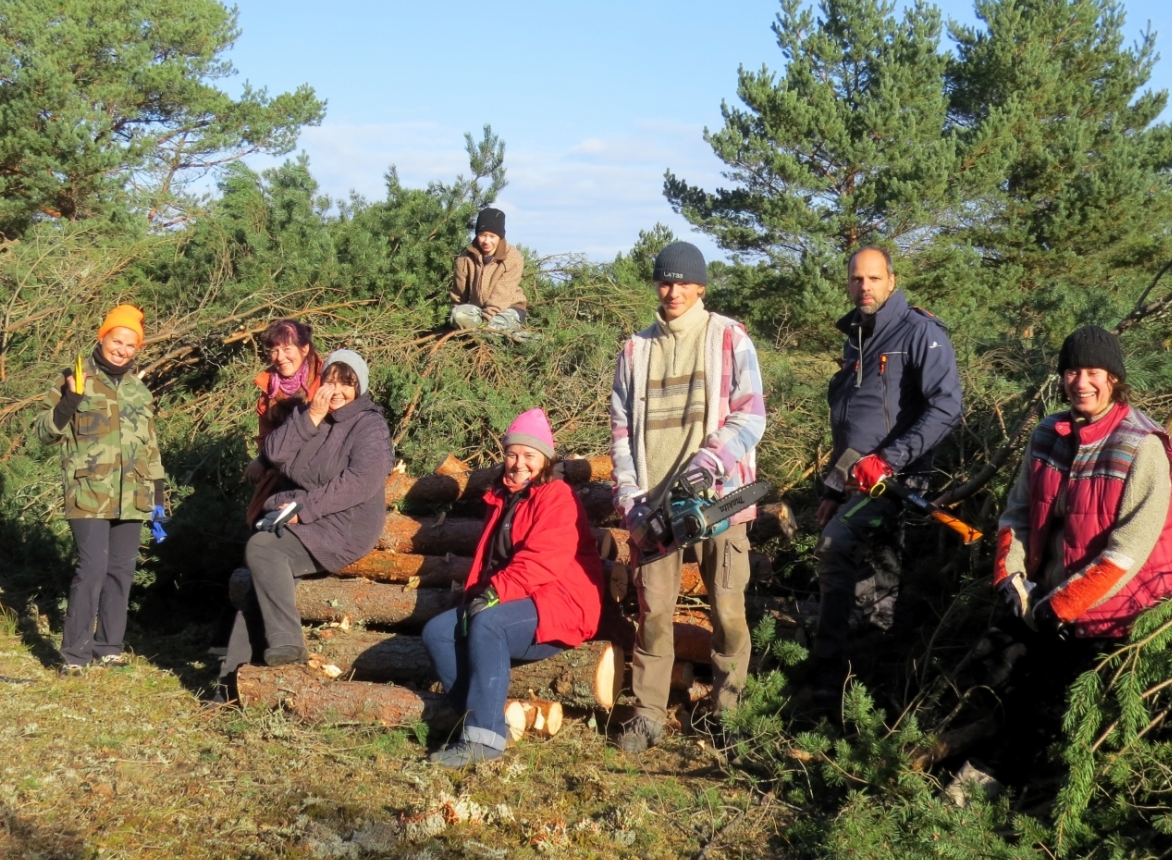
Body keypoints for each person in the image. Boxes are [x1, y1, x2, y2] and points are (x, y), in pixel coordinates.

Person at [609, 241, 767, 753]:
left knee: (728, 610)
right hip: (654, 506)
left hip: (721, 499)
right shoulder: (635, 349)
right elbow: (619, 431)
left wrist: (710, 462)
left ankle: (730, 713)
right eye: (664, 281)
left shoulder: (728, 336)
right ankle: (648, 713)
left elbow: (751, 414)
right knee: (653, 613)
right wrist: (631, 498)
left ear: (700, 286)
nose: (673, 291)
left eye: (682, 282)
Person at [807, 245, 963, 698]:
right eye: (857, 279)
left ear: (892, 281)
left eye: (874, 278)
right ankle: (857, 679)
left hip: (897, 481)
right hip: (857, 478)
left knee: (842, 549)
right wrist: (833, 488)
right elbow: (853, 424)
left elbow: (948, 407)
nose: (864, 286)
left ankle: (837, 677)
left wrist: (892, 461)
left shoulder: (920, 332)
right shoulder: (857, 334)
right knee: (862, 567)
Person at [421, 409, 605, 766]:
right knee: (438, 632)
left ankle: (484, 743)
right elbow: (490, 562)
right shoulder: (503, 498)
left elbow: (543, 560)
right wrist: (476, 596)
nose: (519, 463)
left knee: (490, 624)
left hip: (562, 603)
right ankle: (485, 721)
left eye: (529, 456)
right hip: (517, 597)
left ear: (545, 460)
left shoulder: (556, 496)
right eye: (512, 454)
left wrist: (493, 595)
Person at [215, 350, 393, 696]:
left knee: (263, 549)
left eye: (346, 382)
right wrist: (312, 415)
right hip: (299, 515)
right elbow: (274, 453)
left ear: (360, 387)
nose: (336, 389)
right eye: (330, 380)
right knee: (260, 575)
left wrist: (304, 508)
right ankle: (230, 680)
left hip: (345, 524)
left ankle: (287, 644)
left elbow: (360, 481)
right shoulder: (308, 414)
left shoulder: (370, 425)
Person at [994, 326, 1172, 638]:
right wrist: (1011, 577)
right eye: (1072, 372)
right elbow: (1018, 512)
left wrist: (1063, 606)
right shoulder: (1046, 434)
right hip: (1046, 600)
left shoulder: (1142, 445)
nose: (1081, 383)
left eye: (1093, 372)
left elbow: (1130, 549)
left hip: (1123, 614)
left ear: (1114, 378)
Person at [35, 304, 166, 674]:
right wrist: (70, 401)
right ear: (102, 337)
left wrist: (157, 499)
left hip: (134, 495)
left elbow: (150, 446)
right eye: (117, 340)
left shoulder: (139, 391)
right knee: (91, 568)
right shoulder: (75, 378)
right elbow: (43, 432)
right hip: (88, 494)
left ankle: (108, 647)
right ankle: (74, 655)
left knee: (121, 570)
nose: (122, 349)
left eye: (131, 345)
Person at [243, 319, 324, 524]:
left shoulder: (326, 379)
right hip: (281, 470)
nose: (279, 357)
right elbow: (266, 438)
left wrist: (266, 459)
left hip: (321, 470)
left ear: (304, 348)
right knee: (261, 519)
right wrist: (263, 459)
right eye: (274, 350)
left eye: (287, 349)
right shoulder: (269, 388)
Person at [449, 207, 527, 333]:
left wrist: (485, 324)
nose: (486, 241)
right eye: (482, 235)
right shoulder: (465, 258)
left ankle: (522, 338)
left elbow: (502, 296)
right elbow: (459, 295)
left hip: (507, 308)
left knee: (493, 331)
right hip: (478, 309)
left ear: (500, 237)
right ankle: (479, 332)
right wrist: (456, 319)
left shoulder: (513, 257)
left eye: (492, 236)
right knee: (458, 316)